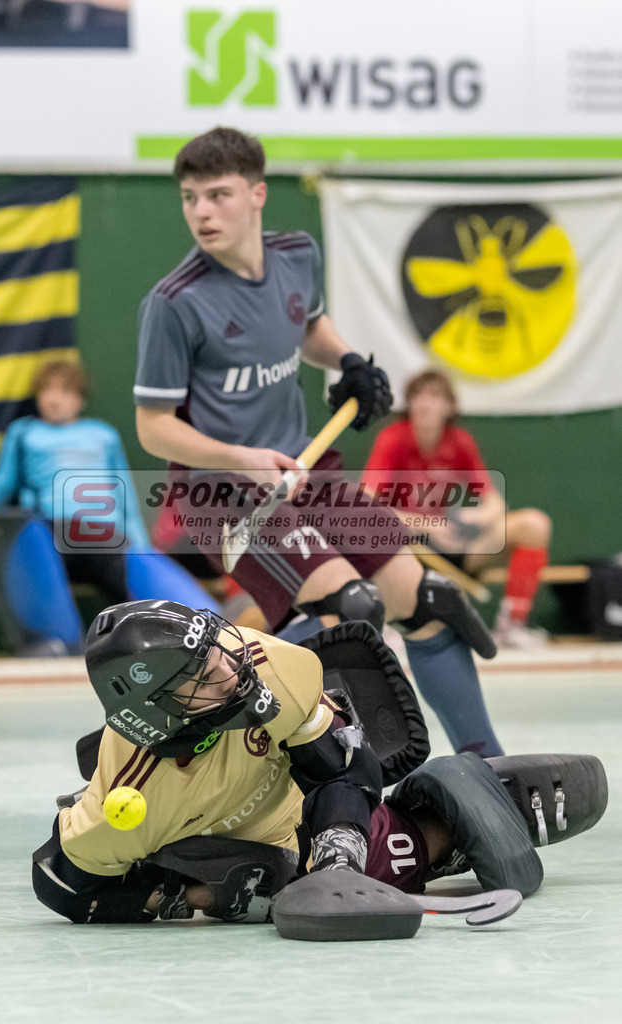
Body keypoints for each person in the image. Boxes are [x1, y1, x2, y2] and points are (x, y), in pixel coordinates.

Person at [132, 125, 504, 759]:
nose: (201, 212)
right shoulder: (174, 303)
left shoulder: (297, 255)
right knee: (348, 609)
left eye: (218, 195)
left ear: (257, 195)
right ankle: (344, 780)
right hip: (225, 497)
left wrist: (347, 359)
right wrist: (242, 459)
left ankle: (491, 767)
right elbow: (153, 427)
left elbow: (307, 325)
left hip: (309, 476)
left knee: (427, 603)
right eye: (190, 198)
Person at [31, 600, 606, 927]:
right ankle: (429, 834)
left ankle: (427, 827)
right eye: (203, 675)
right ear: (158, 709)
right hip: (229, 839)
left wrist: (339, 855)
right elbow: (60, 886)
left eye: (216, 649)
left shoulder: (265, 663)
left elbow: (344, 768)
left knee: (369, 847)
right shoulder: (127, 810)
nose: (231, 668)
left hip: (294, 799)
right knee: (293, 877)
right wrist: (199, 897)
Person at [0, 359, 218, 655]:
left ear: (79, 399)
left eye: (64, 391)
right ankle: (56, 644)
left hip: (103, 538)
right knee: (31, 533)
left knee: (144, 571)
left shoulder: (103, 435)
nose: (54, 399)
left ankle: (208, 627)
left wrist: (140, 547)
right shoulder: (24, 433)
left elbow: (125, 498)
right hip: (51, 536)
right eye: (46, 390)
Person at [364, 369, 552, 649]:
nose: (424, 404)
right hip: (406, 549)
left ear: (450, 407)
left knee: (533, 525)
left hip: (450, 544)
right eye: (417, 396)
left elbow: (495, 504)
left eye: (434, 396)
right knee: (374, 533)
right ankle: (394, 622)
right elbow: (367, 505)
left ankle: (512, 626)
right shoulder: (393, 439)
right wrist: (428, 526)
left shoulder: (459, 441)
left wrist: (476, 517)